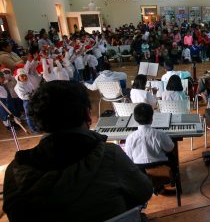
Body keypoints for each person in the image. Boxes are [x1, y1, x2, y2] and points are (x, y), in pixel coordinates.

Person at [3, 81, 153, 222]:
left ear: (38, 122)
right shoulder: (109, 155)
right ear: (87, 115)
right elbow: (144, 192)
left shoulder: (15, 171)